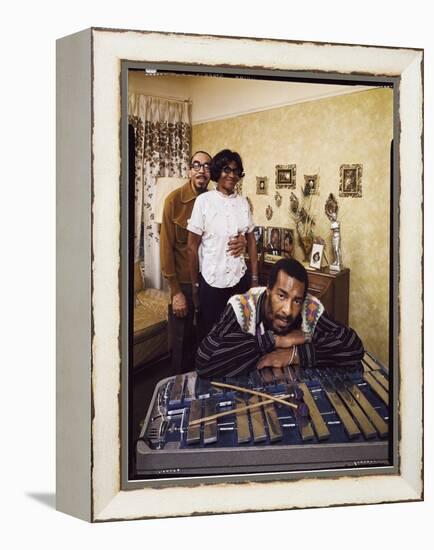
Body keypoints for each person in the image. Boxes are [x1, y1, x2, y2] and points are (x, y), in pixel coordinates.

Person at [196, 258, 364, 378]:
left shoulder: (309, 307)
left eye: (297, 300)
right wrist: (275, 341)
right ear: (268, 290)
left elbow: (352, 345)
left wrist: (295, 354)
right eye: (282, 296)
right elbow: (205, 359)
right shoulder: (242, 305)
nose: (288, 310)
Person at [160, 150, 245, 374]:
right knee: (181, 345)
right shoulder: (174, 201)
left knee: (205, 343)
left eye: (206, 166)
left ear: (212, 172)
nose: (201, 170)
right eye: (196, 165)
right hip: (185, 285)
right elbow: (166, 249)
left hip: (209, 284)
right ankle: (178, 397)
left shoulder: (216, 200)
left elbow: (230, 234)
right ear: (189, 170)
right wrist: (176, 291)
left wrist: (243, 241)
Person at [187, 149, 259, 338]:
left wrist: (254, 278)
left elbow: (251, 241)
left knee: (240, 334)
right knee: (212, 337)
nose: (232, 175)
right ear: (218, 172)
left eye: (236, 171)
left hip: (239, 280)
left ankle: (237, 367)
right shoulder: (204, 201)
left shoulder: (243, 203)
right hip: (212, 283)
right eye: (227, 170)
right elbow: (191, 247)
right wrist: (195, 287)